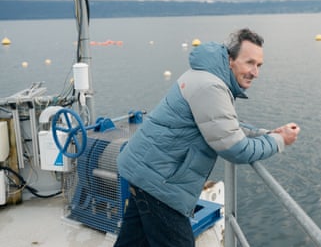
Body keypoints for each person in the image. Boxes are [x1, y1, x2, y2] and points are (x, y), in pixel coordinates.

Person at [115, 28, 300, 247]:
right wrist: (279, 141)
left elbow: (225, 125)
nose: (255, 72)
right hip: (161, 185)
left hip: (146, 173)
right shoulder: (211, 86)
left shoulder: (207, 77)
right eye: (249, 62)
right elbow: (235, 147)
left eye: (259, 65)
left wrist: (266, 134)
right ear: (230, 59)